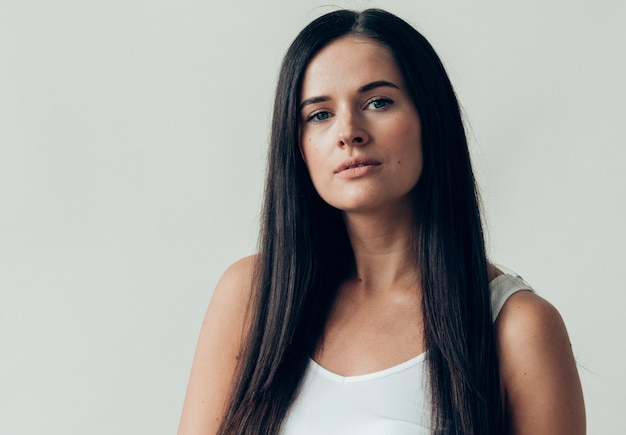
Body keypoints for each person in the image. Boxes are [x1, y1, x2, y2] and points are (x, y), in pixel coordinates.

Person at [178, 8, 585, 435]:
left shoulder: (515, 327)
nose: (348, 131)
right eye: (319, 114)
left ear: (431, 120)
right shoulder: (252, 296)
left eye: (378, 102)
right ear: (297, 146)